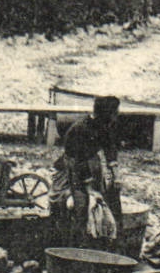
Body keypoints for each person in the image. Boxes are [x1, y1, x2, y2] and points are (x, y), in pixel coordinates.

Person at [50, 95, 123, 250]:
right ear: (106, 113)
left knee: (107, 203)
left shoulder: (104, 126)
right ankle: (74, 249)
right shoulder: (80, 129)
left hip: (91, 166)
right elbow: (78, 161)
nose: (116, 116)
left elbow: (110, 149)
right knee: (81, 208)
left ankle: (104, 245)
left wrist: (116, 174)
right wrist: (90, 189)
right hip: (72, 171)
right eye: (114, 112)